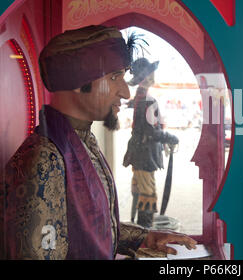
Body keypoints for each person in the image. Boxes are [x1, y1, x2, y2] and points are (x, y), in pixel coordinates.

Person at [0, 25, 196, 259]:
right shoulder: (44, 161)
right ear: (77, 81)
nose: (125, 92)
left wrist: (146, 237)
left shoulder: (81, 142)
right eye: (115, 77)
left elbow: (87, 228)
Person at [123, 58, 179, 228]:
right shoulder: (147, 100)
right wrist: (170, 137)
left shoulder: (140, 97)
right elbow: (150, 131)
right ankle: (144, 234)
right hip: (145, 155)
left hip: (139, 152)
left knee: (140, 191)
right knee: (147, 194)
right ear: (146, 77)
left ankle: (140, 230)